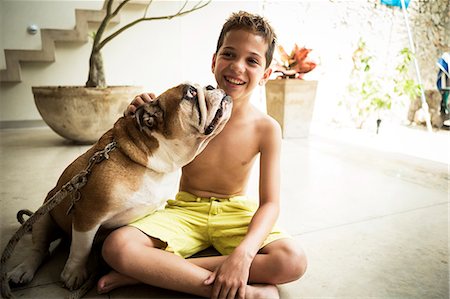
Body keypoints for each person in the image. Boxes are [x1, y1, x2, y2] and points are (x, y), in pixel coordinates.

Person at [97, 11, 307, 299]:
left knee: (292, 260)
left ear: (266, 75)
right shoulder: (187, 110)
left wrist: (243, 255)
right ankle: (243, 293)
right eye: (229, 55)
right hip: (184, 210)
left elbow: (270, 203)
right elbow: (141, 141)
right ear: (214, 61)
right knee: (116, 246)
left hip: (234, 212)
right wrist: (138, 113)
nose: (237, 67)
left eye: (252, 61)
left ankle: (155, 273)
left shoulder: (267, 128)